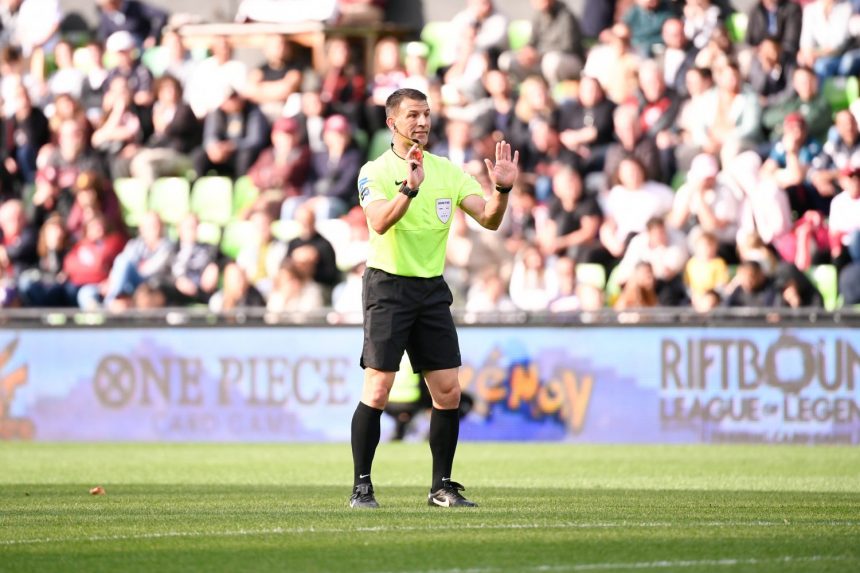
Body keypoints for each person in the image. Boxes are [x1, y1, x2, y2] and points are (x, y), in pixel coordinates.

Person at [350, 87, 519, 509]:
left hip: (430, 289)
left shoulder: (448, 171)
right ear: (392, 123)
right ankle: (362, 487)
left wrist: (501, 190)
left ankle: (441, 487)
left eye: (426, 114)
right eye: (412, 115)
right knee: (378, 388)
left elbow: (489, 219)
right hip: (388, 287)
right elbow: (379, 223)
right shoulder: (374, 171)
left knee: (448, 392)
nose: (422, 122)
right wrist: (408, 188)